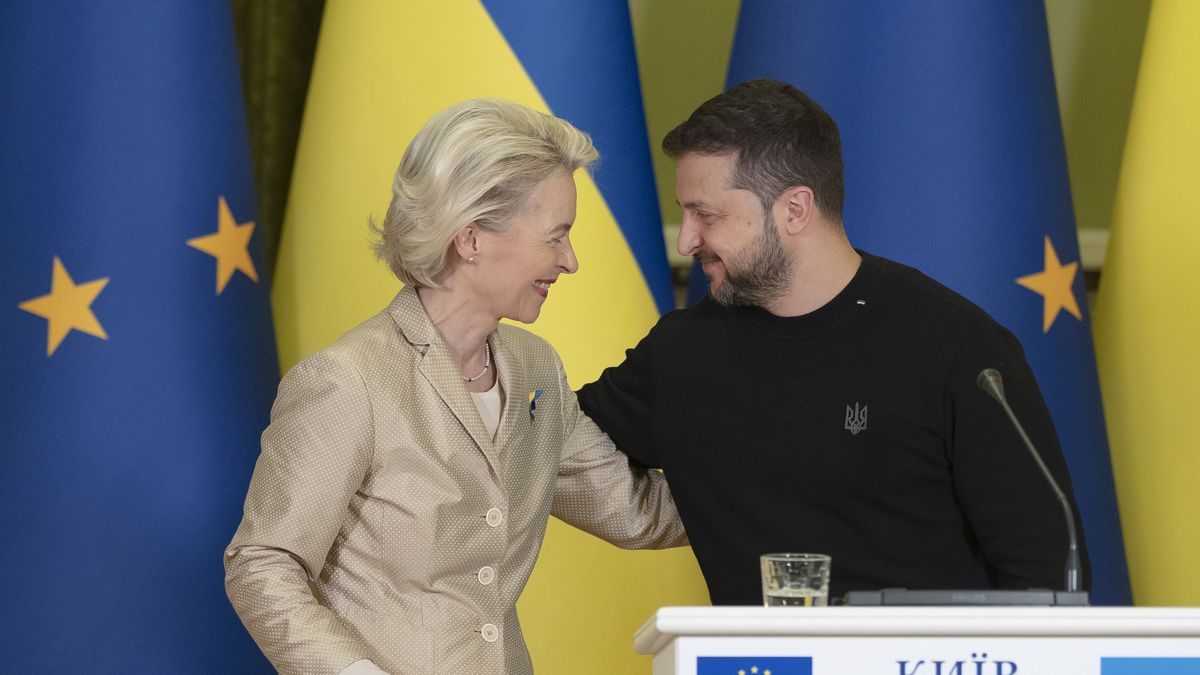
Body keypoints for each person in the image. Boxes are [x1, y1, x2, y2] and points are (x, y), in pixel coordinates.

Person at [577, 78, 1088, 605]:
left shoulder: (959, 349)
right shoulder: (681, 355)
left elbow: (1044, 572)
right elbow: (546, 444)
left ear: (795, 210)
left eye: (706, 215)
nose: (685, 240)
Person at [224, 98, 687, 674]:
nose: (571, 261)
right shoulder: (348, 381)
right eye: (555, 236)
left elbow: (633, 511)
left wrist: (790, 490)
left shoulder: (537, 370)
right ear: (470, 239)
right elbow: (263, 563)